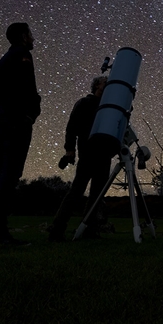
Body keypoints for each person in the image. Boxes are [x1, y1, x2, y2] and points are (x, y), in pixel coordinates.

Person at [0, 22, 41, 245]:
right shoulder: (22, 55)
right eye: (30, 34)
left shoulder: (3, 60)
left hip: (3, 117)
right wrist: (30, 114)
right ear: (23, 36)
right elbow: (26, 89)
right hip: (15, 120)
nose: (33, 38)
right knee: (9, 174)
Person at [49, 76, 112, 242]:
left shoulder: (109, 107)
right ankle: (57, 230)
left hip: (105, 154)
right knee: (76, 192)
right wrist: (70, 150)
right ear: (97, 85)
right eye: (105, 82)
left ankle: (89, 231)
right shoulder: (85, 103)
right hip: (88, 152)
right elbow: (72, 127)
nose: (108, 84)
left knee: (97, 195)